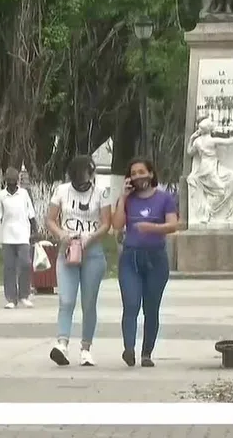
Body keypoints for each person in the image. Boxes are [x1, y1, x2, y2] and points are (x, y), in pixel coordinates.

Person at [111, 157, 178, 368]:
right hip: (131, 258)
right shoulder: (128, 200)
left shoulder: (165, 198)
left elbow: (173, 225)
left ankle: (146, 353)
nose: (138, 176)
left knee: (151, 308)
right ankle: (128, 349)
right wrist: (122, 197)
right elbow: (117, 225)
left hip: (156, 259)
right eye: (134, 173)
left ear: (150, 174)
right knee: (131, 305)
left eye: (142, 172)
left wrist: (152, 228)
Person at [45, 155, 112, 367]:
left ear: (92, 175)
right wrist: (62, 235)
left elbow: (106, 223)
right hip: (68, 250)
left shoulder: (101, 192)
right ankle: (61, 343)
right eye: (76, 181)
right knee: (66, 299)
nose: (80, 185)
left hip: (92, 251)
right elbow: (50, 219)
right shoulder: (62, 191)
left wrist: (90, 237)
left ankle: (86, 348)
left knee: (89, 302)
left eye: (84, 181)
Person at [0, 167, 38, 309]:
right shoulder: (1, 196)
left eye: (14, 180)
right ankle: (11, 298)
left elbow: (31, 213)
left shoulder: (24, 194)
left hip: (23, 235)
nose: (11, 183)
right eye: (9, 181)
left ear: (18, 181)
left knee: (25, 264)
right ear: (6, 181)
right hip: (7, 236)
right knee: (9, 268)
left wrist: (35, 231)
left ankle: (24, 295)